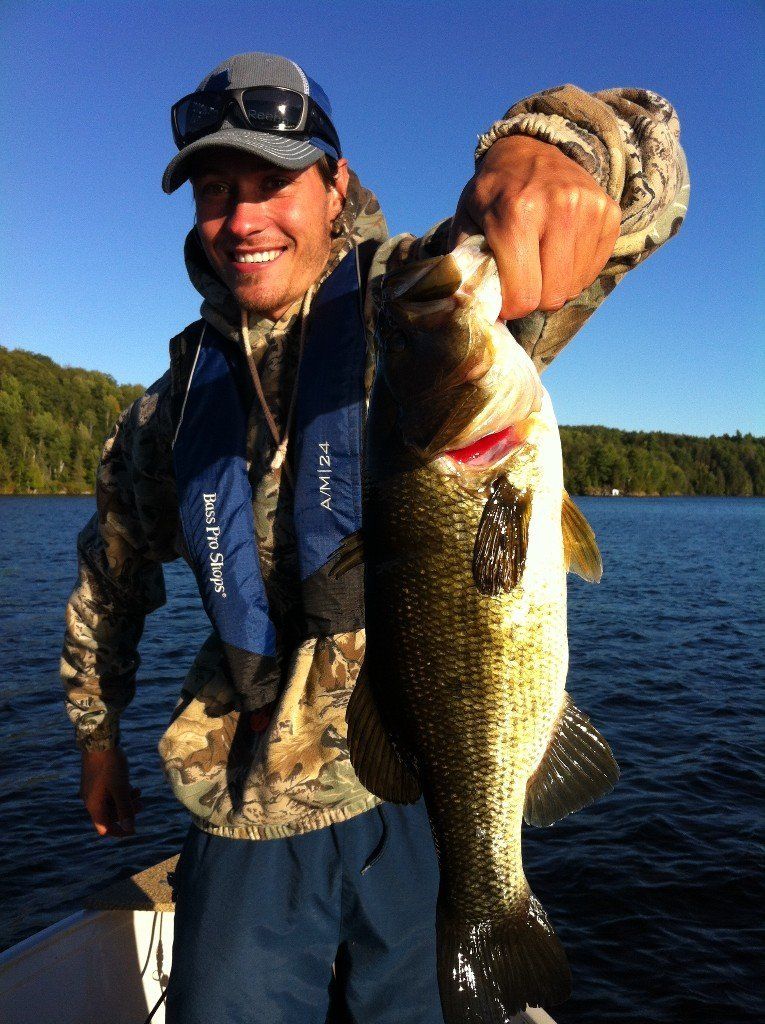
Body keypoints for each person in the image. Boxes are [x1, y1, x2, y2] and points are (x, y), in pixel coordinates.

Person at [61, 52, 689, 1023]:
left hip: (415, 777)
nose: (244, 218)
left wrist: (568, 147)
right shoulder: (165, 414)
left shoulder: (416, 302)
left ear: (335, 184)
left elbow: (638, 184)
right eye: (217, 192)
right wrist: (98, 739)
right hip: (248, 792)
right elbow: (108, 583)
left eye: (275, 181)